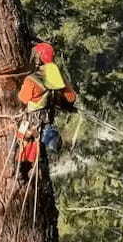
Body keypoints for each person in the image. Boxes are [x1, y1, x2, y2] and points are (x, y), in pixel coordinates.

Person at [15, 42, 77, 178]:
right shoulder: (58, 76)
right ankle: (31, 167)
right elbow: (71, 97)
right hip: (46, 122)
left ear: (38, 58)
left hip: (32, 121)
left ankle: (22, 167)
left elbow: (23, 98)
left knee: (25, 137)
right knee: (34, 141)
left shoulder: (32, 80)